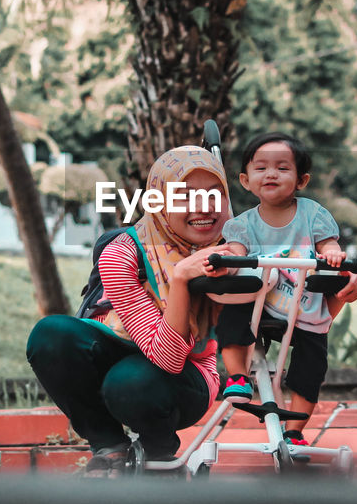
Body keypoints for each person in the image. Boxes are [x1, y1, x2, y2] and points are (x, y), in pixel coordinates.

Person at [26, 146, 233, 472]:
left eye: (214, 194)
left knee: (131, 383)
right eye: (185, 196)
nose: (204, 208)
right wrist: (181, 279)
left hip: (188, 378)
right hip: (129, 350)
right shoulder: (122, 253)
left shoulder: (235, 249)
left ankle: (159, 454)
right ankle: (109, 446)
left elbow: (293, 308)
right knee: (51, 335)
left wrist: (340, 291)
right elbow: (164, 352)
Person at [215, 131, 357, 448]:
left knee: (312, 363)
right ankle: (238, 376)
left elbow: (328, 244)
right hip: (258, 302)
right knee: (231, 312)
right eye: (261, 167)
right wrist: (231, 258)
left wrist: (333, 253)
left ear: (301, 180)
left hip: (301, 303)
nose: (271, 174)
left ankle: (295, 430)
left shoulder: (313, 214)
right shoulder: (242, 224)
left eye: (283, 168)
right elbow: (236, 251)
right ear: (245, 179)